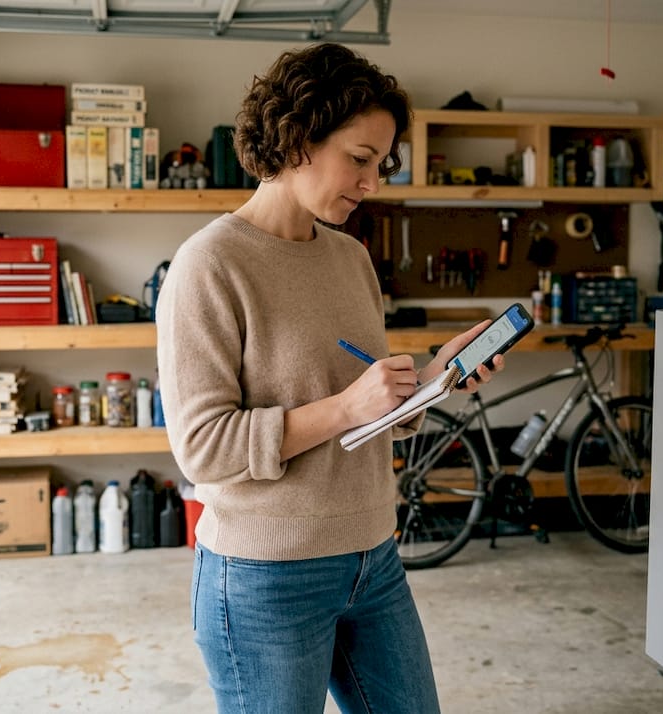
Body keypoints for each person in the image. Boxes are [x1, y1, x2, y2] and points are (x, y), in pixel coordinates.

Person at [155, 42, 503, 714]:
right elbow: (202, 449)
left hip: (373, 557)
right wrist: (345, 408)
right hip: (265, 577)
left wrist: (437, 377)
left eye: (382, 164)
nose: (372, 182)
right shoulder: (210, 265)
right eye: (361, 159)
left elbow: (372, 411)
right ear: (297, 139)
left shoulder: (350, 259)